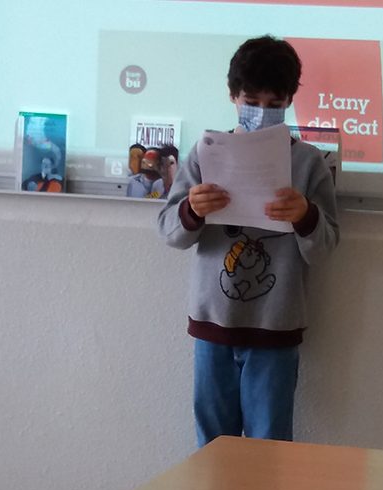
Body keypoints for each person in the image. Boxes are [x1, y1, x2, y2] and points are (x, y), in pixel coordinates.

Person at [157, 35, 339, 447]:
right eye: (251, 101)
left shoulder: (308, 162)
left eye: (274, 103)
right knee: (212, 446)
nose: (261, 112)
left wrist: (305, 216)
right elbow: (169, 230)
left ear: (290, 100)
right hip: (213, 325)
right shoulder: (205, 152)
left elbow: (326, 246)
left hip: (275, 328)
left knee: (269, 446)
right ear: (232, 96)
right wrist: (193, 209)